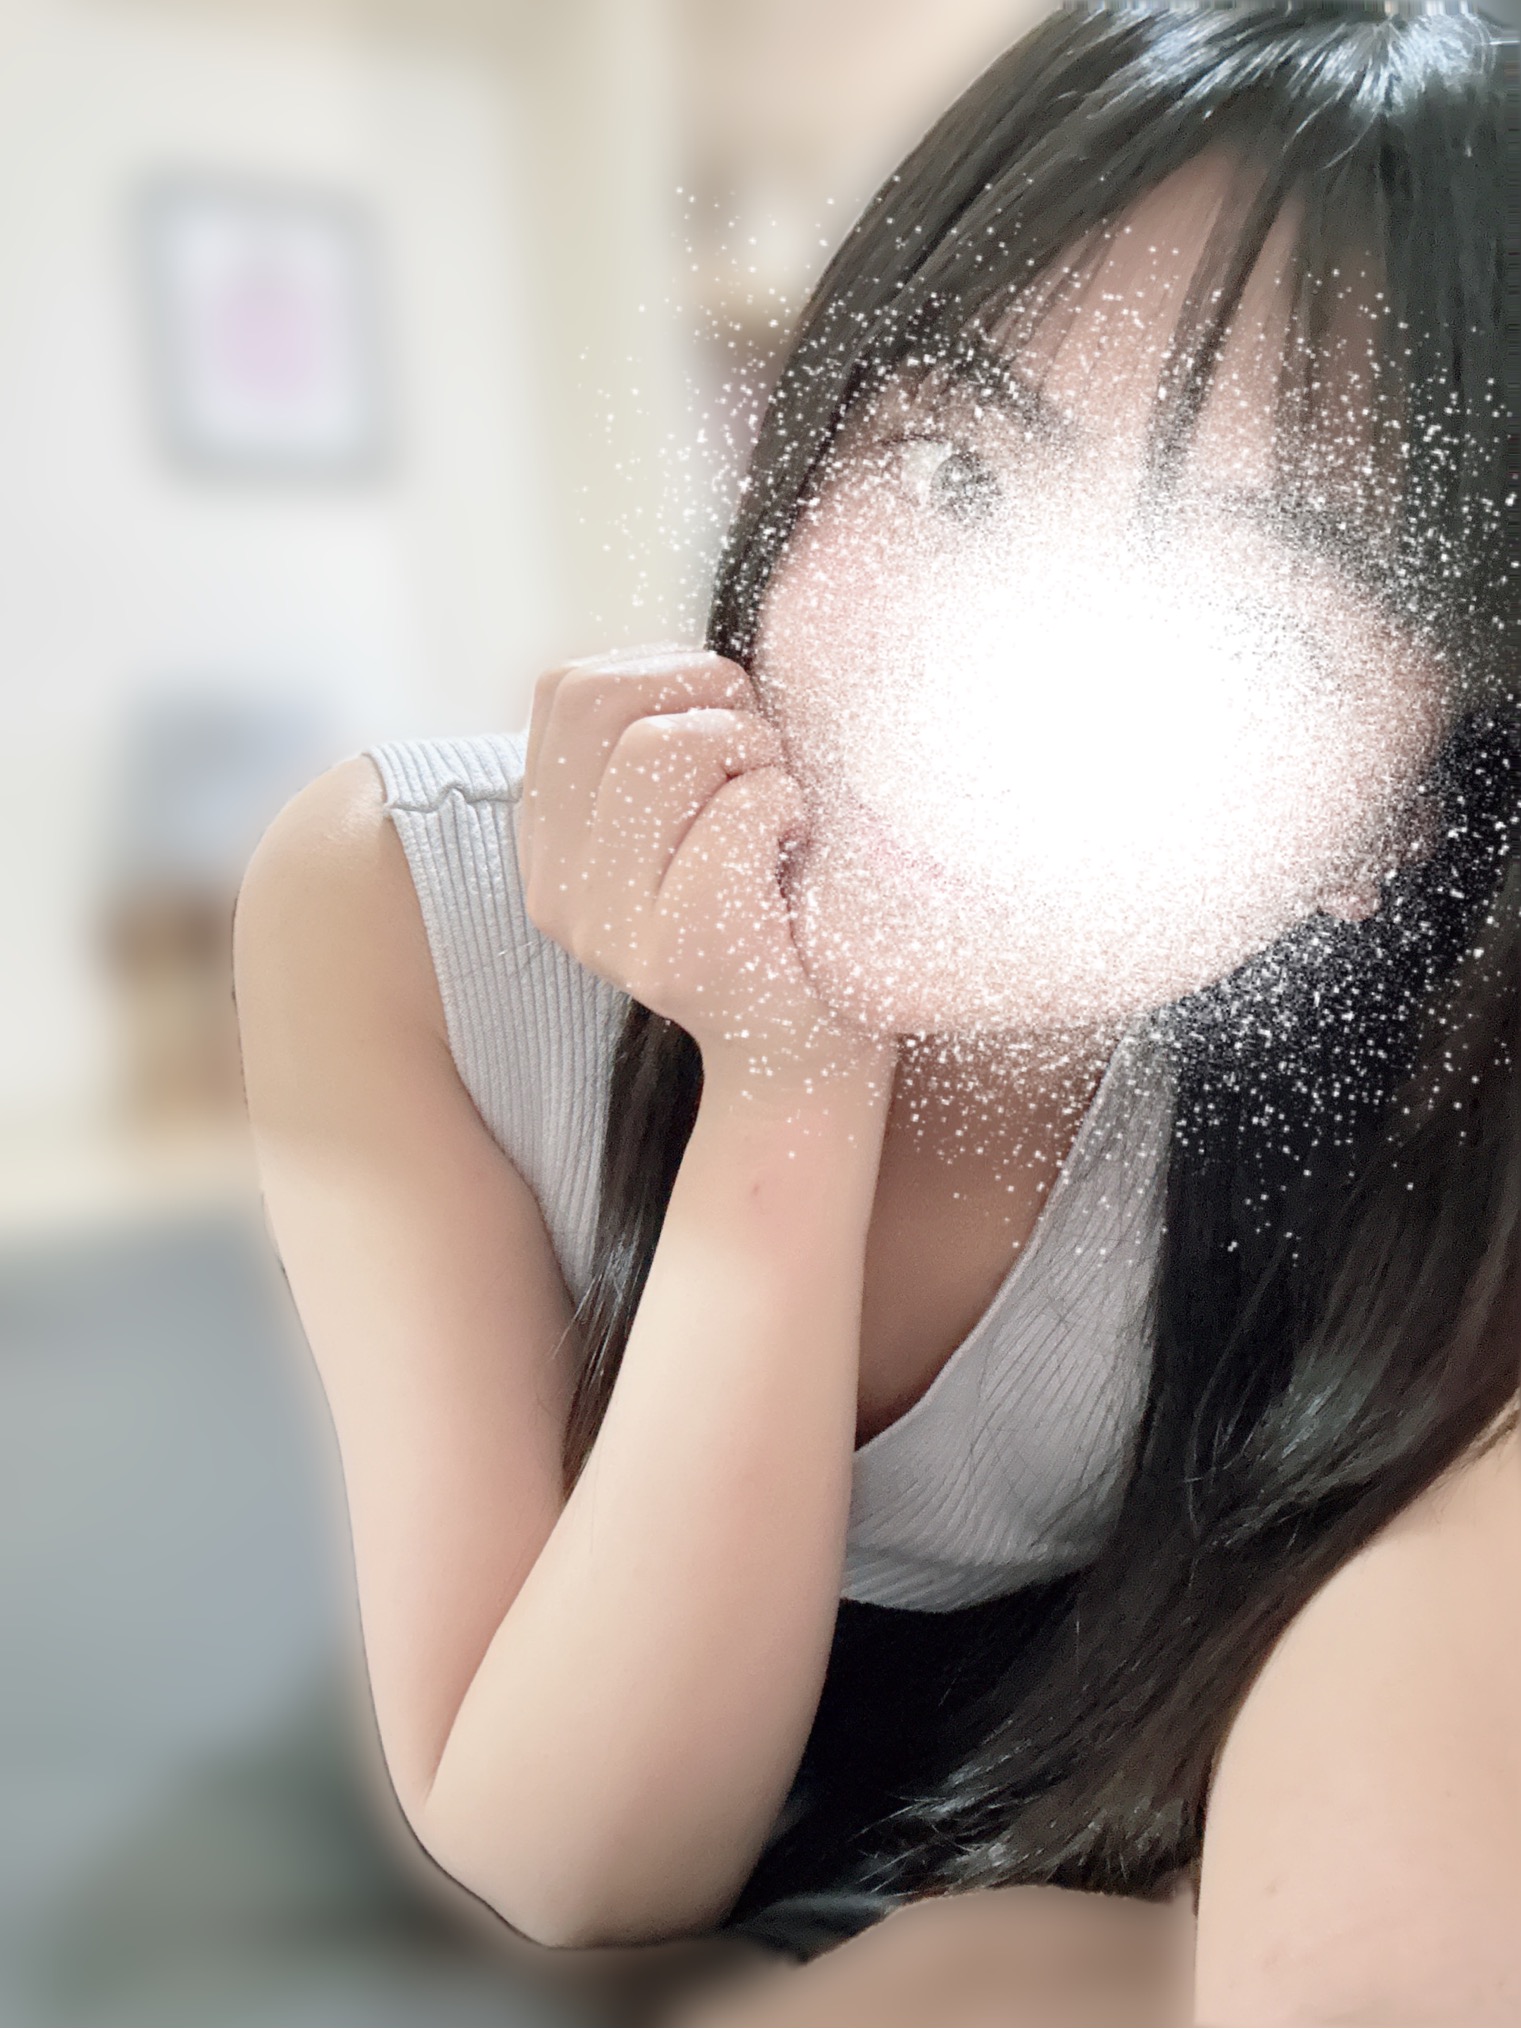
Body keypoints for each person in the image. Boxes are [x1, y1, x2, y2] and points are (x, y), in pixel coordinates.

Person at [233, 4, 1520, 2022]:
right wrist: (788, 1064)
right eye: (957, 471)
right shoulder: (402, 903)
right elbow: (569, 1865)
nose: (961, 691)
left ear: (1412, 817)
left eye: (1256, 623)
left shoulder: (1406, 1083)